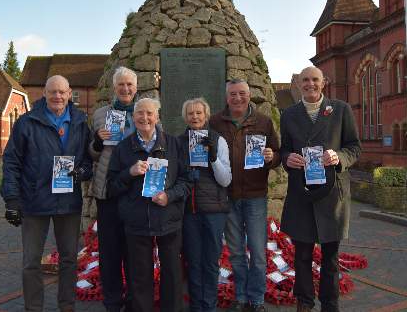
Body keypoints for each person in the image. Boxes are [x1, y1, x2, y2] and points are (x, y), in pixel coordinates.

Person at [0, 75, 92, 312]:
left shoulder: (81, 122)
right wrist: (12, 200)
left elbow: (87, 161)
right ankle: (33, 308)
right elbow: (11, 161)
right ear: (44, 93)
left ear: (69, 93)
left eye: (62, 92)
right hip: (34, 202)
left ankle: (67, 306)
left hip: (68, 203)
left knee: (69, 260)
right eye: (53, 92)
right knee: (31, 262)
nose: (57, 96)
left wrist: (81, 171)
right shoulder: (27, 122)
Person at [279, 66, 361, 312]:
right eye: (305, 80)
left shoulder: (341, 110)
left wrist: (339, 157)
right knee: (301, 255)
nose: (310, 84)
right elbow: (284, 149)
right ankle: (304, 302)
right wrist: (287, 159)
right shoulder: (289, 114)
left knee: (330, 258)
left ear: (324, 82)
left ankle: (330, 304)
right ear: (298, 84)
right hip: (301, 194)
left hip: (332, 195)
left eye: (315, 79)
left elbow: (354, 147)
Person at [106, 98, 191, 312]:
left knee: (172, 275)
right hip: (137, 221)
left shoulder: (174, 144)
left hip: (168, 218)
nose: (145, 117)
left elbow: (186, 181)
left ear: (157, 117)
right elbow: (112, 186)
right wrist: (129, 172)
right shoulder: (123, 148)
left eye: (149, 113)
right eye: (140, 113)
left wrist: (169, 196)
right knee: (139, 276)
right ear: (133, 118)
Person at [209, 79, 280, 312]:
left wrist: (272, 156)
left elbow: (277, 153)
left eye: (242, 93)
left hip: (255, 196)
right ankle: (241, 296)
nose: (237, 98)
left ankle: (257, 299)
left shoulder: (264, 121)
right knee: (237, 252)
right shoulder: (215, 122)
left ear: (249, 95)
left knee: (258, 252)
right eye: (232, 94)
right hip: (228, 196)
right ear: (226, 97)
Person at [89, 66, 137, 312]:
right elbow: (91, 153)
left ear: (136, 88)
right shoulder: (100, 114)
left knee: (133, 251)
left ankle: (132, 301)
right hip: (107, 192)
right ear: (114, 88)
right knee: (109, 252)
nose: (126, 89)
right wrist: (97, 140)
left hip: (135, 193)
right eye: (121, 85)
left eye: (130, 85)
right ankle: (112, 302)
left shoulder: (145, 113)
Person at [177, 98, 232, 312]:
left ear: (206, 115)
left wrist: (213, 158)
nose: (195, 117)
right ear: (185, 117)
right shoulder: (179, 141)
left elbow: (226, 180)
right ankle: (196, 307)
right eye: (190, 113)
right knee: (193, 261)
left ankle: (209, 306)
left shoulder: (218, 140)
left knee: (210, 262)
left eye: (199, 113)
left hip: (214, 211)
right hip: (189, 211)